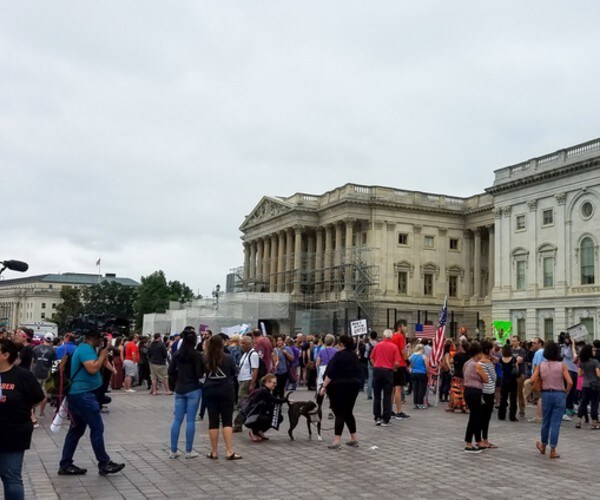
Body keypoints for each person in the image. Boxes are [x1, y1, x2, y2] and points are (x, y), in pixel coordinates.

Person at [58, 330, 125, 476]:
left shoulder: (84, 348)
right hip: (83, 395)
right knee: (96, 427)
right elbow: (92, 368)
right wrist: (102, 355)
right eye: (100, 338)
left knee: (76, 429)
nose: (101, 341)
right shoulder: (85, 349)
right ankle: (104, 463)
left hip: (79, 394)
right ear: (93, 337)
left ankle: (66, 464)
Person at [0, 338, 45, 500]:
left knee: (11, 477)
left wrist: (23, 409)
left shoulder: (22, 376)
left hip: (14, 433)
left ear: (5, 355)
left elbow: (38, 397)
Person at [530, 340, 573, 459]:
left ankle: (543, 445)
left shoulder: (541, 365)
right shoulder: (562, 365)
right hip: (559, 395)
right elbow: (570, 382)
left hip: (546, 395)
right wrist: (566, 391)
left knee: (546, 422)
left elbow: (532, 380)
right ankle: (553, 450)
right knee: (555, 424)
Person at [202, 335, 242, 460]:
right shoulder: (228, 358)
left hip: (210, 390)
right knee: (227, 421)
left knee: (213, 422)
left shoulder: (205, 359)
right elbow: (234, 373)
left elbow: (200, 373)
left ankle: (214, 452)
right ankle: (229, 451)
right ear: (222, 344)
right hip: (226, 390)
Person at [319, 335, 362, 449]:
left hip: (339, 386)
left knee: (339, 413)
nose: (337, 345)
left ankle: (337, 440)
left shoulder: (338, 356)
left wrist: (324, 386)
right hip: (354, 386)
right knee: (349, 412)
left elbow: (331, 373)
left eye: (338, 343)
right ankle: (354, 438)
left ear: (342, 344)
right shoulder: (354, 355)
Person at [168, 329, 204, 459]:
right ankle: (189, 451)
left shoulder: (177, 354)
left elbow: (171, 370)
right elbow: (199, 373)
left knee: (177, 420)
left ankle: (173, 450)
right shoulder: (196, 355)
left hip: (180, 388)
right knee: (190, 420)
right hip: (193, 388)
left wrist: (173, 385)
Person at [369, 329, 402, 426]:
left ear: (383, 336)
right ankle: (385, 418)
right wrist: (394, 368)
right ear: (391, 337)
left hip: (377, 370)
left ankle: (377, 416)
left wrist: (375, 365)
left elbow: (371, 358)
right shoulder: (394, 347)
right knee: (387, 396)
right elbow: (397, 363)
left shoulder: (377, 345)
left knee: (377, 395)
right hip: (388, 371)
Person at [463, 342, 489, 453]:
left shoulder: (467, 363)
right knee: (474, 417)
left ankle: (476, 441)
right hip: (475, 391)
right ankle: (468, 443)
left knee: (474, 416)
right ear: (477, 353)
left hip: (467, 390)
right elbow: (486, 379)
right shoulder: (476, 365)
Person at [246, 374, 286, 442]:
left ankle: (259, 431)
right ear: (268, 382)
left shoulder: (266, 390)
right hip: (253, 415)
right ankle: (254, 432)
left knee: (278, 417)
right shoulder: (264, 391)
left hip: (257, 413)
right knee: (272, 418)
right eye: (274, 383)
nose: (275, 384)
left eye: (275, 383)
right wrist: (286, 400)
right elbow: (275, 400)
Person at [232, 336, 259, 432]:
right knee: (243, 403)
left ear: (249, 344)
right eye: (241, 343)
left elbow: (255, 369)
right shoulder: (245, 354)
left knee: (242, 403)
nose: (241, 345)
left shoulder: (253, 354)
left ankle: (238, 424)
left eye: (244, 343)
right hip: (242, 380)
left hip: (247, 381)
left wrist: (252, 383)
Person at [32, 333, 57, 418]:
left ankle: (33, 413)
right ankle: (41, 413)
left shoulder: (36, 348)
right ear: (52, 341)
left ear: (44, 339)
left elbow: (33, 361)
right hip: (47, 374)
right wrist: (53, 373)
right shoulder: (53, 351)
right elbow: (54, 364)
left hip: (35, 373)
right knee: (44, 394)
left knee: (34, 393)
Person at [575, 344, 600, 429]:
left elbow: (579, 374)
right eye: (593, 350)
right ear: (589, 352)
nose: (595, 351)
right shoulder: (595, 362)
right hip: (594, 385)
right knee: (594, 404)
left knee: (583, 403)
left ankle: (578, 421)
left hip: (585, 385)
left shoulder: (582, 362)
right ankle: (594, 423)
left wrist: (586, 373)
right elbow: (598, 374)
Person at [479, 340, 497, 449]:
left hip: (481, 390)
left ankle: (479, 438)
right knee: (486, 417)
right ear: (487, 350)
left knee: (481, 416)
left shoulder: (479, 362)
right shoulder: (488, 363)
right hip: (489, 391)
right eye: (492, 349)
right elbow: (494, 378)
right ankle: (484, 439)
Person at [498, 344, 519, 421]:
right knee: (513, 399)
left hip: (504, 379)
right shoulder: (513, 358)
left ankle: (501, 415)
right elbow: (517, 368)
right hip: (512, 380)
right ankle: (512, 416)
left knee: (503, 398)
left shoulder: (501, 359)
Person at [447, 341, 469, 413]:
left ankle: (453, 406)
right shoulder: (469, 356)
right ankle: (464, 406)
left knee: (455, 391)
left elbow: (451, 361)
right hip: (465, 375)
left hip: (457, 375)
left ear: (461, 347)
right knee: (463, 391)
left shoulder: (457, 355)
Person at [510, 336, 527, 418]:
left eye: (515, 341)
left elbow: (520, 359)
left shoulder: (522, 350)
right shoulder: (510, 350)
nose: (513, 342)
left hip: (520, 373)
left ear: (519, 342)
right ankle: (512, 409)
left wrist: (515, 360)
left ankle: (522, 410)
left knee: (520, 393)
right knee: (513, 393)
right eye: (512, 341)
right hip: (512, 374)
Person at [409, 344, 429, 409]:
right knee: (422, 389)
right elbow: (427, 366)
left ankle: (416, 403)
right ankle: (420, 403)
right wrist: (427, 373)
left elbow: (410, 365)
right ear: (422, 349)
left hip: (414, 373)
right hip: (422, 373)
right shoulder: (424, 356)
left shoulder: (412, 356)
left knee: (415, 388)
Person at [365, 331, 378, 400]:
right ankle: (376, 393)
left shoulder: (367, 345)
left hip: (370, 362)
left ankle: (369, 394)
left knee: (370, 378)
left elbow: (366, 355)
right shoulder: (378, 344)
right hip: (377, 362)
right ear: (376, 337)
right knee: (376, 379)